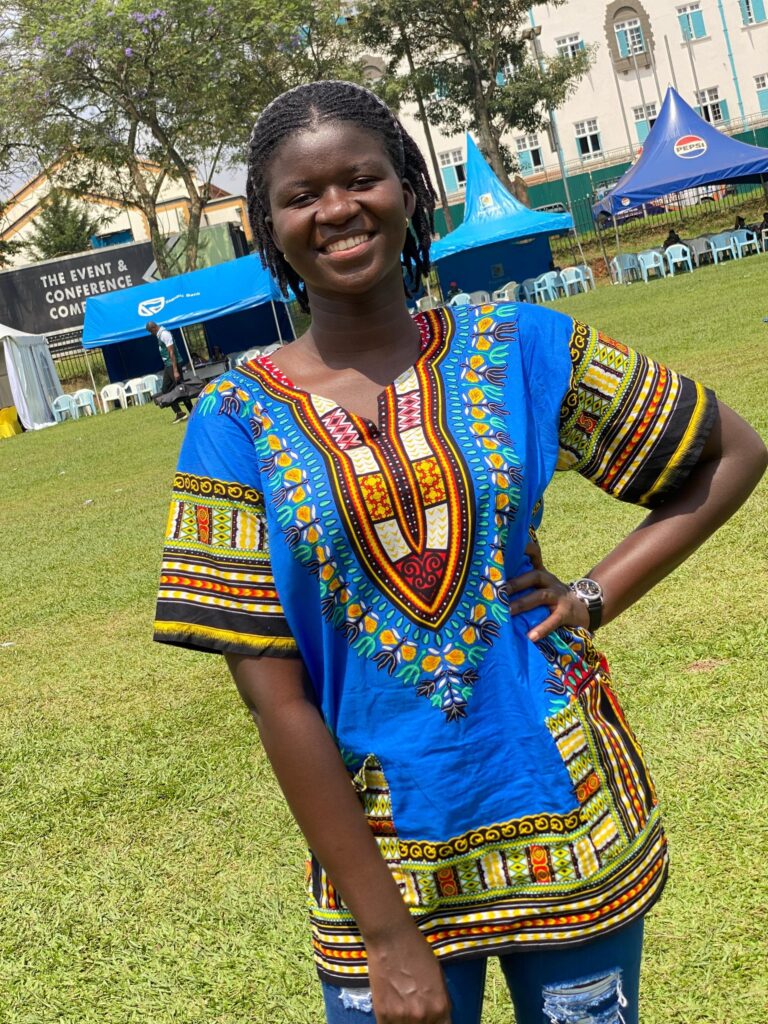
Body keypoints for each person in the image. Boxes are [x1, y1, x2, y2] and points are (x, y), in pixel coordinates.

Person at [153, 82, 766, 1024]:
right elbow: (273, 694)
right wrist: (389, 939)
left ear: (411, 187)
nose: (338, 211)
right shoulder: (233, 421)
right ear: (268, 231)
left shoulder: (517, 345)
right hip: (380, 850)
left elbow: (731, 452)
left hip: (561, 808)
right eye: (302, 197)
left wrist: (595, 594)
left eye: (362, 179)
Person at [146, 320, 194, 423]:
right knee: (166, 389)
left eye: (151, 331)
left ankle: (192, 412)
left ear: (154, 328)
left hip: (173, 365)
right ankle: (179, 412)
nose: (151, 334)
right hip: (168, 366)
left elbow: (171, 352)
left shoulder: (165, 334)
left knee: (181, 389)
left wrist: (175, 370)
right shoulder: (160, 335)